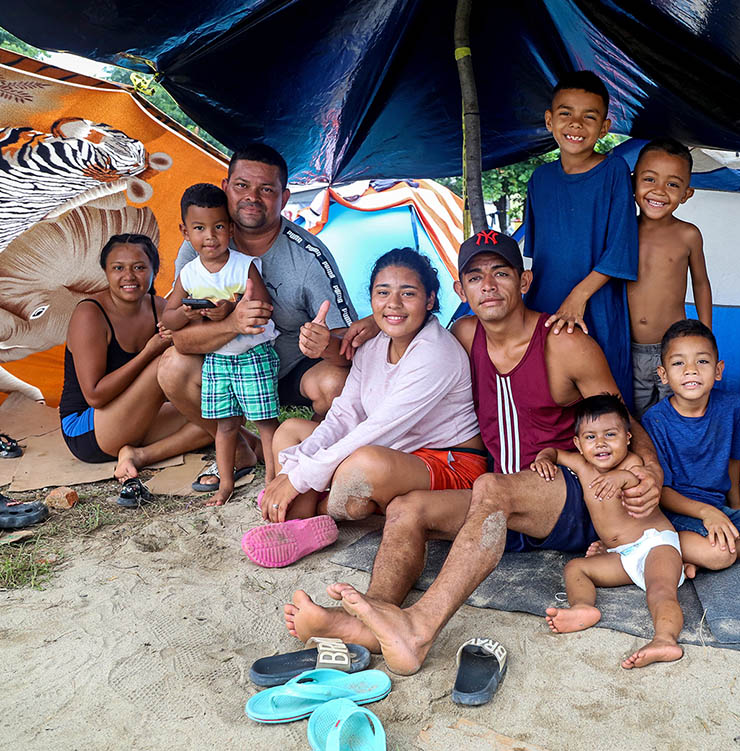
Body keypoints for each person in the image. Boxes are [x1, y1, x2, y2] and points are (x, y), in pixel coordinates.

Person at [285, 231, 663, 675]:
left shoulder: (563, 342)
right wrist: (371, 320)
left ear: (524, 282)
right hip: (501, 501)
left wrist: (652, 469)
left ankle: (419, 630)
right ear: (460, 291)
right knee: (407, 508)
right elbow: (406, 328)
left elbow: (620, 415)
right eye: (475, 277)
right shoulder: (464, 334)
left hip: (571, 493)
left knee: (489, 486)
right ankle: (372, 618)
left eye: (501, 273)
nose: (488, 286)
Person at [246, 248, 484, 567]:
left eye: (408, 293)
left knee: (363, 462)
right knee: (291, 432)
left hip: (450, 463)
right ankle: (299, 525)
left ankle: (314, 512)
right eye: (382, 292)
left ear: (430, 300)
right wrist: (296, 468)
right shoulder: (374, 347)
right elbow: (345, 414)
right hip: (397, 451)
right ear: (371, 300)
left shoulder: (435, 353)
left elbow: (378, 430)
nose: (393, 304)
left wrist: (297, 478)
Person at [157, 143, 360, 492]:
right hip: (229, 366)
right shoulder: (199, 244)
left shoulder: (310, 256)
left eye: (266, 189)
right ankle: (240, 450)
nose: (252, 197)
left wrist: (324, 345)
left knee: (337, 385)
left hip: (292, 369)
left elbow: (349, 351)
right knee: (171, 367)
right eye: (242, 186)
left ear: (284, 197)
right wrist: (233, 323)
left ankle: (301, 457)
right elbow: (182, 338)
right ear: (226, 187)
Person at [533, 394, 687, 668]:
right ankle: (583, 607)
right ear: (578, 444)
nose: (601, 443)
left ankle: (665, 639)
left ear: (628, 438)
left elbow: (640, 476)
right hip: (621, 556)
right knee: (575, 568)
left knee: (660, 590)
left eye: (610, 434)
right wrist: (544, 458)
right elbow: (555, 453)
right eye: (590, 437)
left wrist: (621, 477)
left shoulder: (630, 463)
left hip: (655, 545)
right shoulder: (582, 466)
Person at [645, 320, 740, 571]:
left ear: (718, 370)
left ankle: (699, 555)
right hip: (677, 514)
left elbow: (734, 459)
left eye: (702, 361)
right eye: (678, 363)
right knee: (719, 555)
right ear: (663, 375)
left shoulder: (731, 406)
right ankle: (701, 551)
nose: (691, 370)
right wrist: (707, 513)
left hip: (718, 509)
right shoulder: (655, 420)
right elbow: (661, 491)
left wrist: (735, 507)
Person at [522, 71, 638, 405]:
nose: (576, 125)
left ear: (604, 128)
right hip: (546, 305)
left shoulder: (614, 172)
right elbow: (537, 254)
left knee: (604, 402)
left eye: (589, 117)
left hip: (597, 304)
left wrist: (578, 297)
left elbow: (620, 249)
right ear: (549, 121)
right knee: (551, 392)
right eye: (566, 114)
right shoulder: (539, 179)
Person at [162, 184, 279, 506]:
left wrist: (232, 307)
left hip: (252, 355)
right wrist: (185, 312)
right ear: (185, 232)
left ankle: (272, 481)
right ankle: (226, 485)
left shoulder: (244, 265)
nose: (209, 236)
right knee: (225, 426)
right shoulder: (188, 273)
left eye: (217, 227)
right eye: (199, 228)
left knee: (266, 422)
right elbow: (169, 318)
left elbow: (265, 307)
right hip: (216, 360)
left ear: (229, 228)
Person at [60, 234, 211, 480]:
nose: (129, 276)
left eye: (139, 267)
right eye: (118, 268)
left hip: (137, 414)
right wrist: (149, 352)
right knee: (167, 362)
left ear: (154, 270)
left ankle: (139, 455)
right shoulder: (89, 314)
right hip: (87, 428)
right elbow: (95, 395)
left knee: (218, 412)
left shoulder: (158, 307)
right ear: (105, 272)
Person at [625, 138, 712, 417]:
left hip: (674, 347)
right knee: (634, 416)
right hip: (628, 346)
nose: (659, 191)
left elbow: (701, 283)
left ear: (687, 193)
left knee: (675, 413)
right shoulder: (622, 231)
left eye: (673, 184)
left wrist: (705, 333)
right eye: (649, 179)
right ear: (632, 181)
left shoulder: (688, 234)